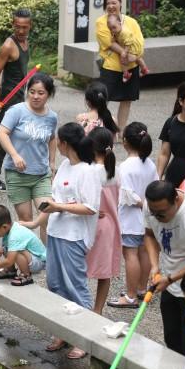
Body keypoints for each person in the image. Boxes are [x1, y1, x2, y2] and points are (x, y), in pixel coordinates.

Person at [23, 122, 101, 359]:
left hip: (74, 236)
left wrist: (58, 206)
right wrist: (36, 222)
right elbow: (53, 200)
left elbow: (90, 207)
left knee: (76, 287)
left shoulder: (89, 171)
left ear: (66, 144)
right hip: (56, 232)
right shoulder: (66, 166)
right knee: (55, 284)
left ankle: (84, 338)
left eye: (58, 141)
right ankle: (63, 332)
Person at [0, 72, 57, 243]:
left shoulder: (52, 117)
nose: (36, 96)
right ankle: (28, 261)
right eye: (32, 91)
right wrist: (15, 155)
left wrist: (52, 162)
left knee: (47, 216)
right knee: (27, 221)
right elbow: (2, 133)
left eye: (41, 93)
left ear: (48, 94)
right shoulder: (17, 111)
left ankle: (48, 259)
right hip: (17, 175)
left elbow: (52, 138)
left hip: (41, 175)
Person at [107, 122, 157, 309]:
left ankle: (130, 296)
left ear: (125, 141)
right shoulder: (149, 164)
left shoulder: (126, 166)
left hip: (130, 218)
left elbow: (127, 195)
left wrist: (140, 203)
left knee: (130, 254)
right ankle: (141, 289)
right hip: (148, 218)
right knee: (144, 251)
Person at [143, 180, 185, 357]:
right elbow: (149, 234)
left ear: (176, 199)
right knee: (171, 339)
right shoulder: (150, 205)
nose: (157, 217)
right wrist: (154, 265)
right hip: (168, 283)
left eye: (162, 214)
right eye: (154, 213)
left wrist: (172, 278)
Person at [0, 8, 31, 192]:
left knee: (17, 137)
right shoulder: (8, 46)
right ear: (13, 25)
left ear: (30, 26)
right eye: (18, 27)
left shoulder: (26, 42)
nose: (21, 31)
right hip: (7, 100)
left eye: (24, 27)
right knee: (2, 139)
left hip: (20, 98)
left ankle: (18, 172)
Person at [96, 0, 145, 135]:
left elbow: (139, 41)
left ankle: (121, 131)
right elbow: (107, 42)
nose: (111, 6)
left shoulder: (131, 22)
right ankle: (101, 129)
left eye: (114, 2)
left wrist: (134, 56)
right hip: (111, 66)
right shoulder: (101, 22)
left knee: (126, 100)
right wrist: (125, 52)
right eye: (108, 3)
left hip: (131, 66)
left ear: (120, 3)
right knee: (102, 100)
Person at [85, 127, 120, 315]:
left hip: (92, 225)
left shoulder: (90, 171)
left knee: (80, 268)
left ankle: (79, 305)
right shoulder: (115, 170)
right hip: (111, 226)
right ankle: (97, 310)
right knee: (103, 272)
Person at [0, 204, 46, 287]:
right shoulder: (9, 229)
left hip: (39, 261)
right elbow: (6, 246)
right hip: (31, 257)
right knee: (8, 248)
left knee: (16, 251)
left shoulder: (14, 235)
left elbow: (10, 260)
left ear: (4, 227)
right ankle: (10, 271)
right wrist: (1, 250)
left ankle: (26, 275)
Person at [157, 81, 185, 188]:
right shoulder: (171, 122)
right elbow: (164, 153)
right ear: (181, 101)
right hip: (175, 175)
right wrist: (158, 177)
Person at [106, 14, 149, 83]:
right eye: (110, 28)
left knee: (123, 60)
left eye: (114, 27)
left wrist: (125, 52)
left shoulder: (124, 32)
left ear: (119, 23)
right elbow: (116, 39)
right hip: (130, 46)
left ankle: (126, 74)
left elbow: (129, 43)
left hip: (132, 47)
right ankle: (144, 69)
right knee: (138, 59)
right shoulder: (117, 31)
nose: (112, 30)